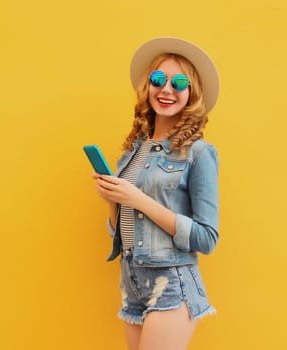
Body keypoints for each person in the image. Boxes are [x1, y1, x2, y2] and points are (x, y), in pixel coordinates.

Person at [91, 36, 221, 350]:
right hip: (133, 281)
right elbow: (123, 227)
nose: (166, 89)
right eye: (158, 79)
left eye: (179, 82)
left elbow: (207, 238)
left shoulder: (199, 153)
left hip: (172, 282)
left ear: (192, 93)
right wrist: (113, 202)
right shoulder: (134, 151)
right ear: (147, 86)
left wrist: (138, 200)